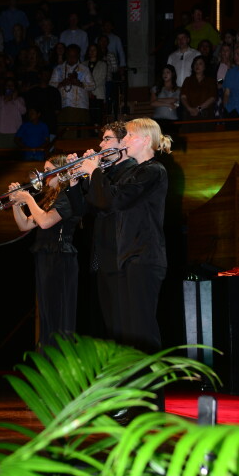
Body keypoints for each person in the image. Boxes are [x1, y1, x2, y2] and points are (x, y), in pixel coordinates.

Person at [67, 117, 172, 360]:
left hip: (143, 256)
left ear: (145, 140)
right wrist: (79, 180)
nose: (125, 140)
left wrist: (94, 171)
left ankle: (150, 384)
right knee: (124, 333)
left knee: (141, 332)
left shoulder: (153, 170)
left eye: (129, 136)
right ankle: (129, 382)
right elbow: (100, 204)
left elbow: (114, 201)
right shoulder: (132, 172)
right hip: (127, 257)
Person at [7, 154, 81, 349]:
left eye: (48, 171)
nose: (44, 175)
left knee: (58, 315)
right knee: (47, 315)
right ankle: (47, 357)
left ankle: (59, 359)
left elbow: (46, 222)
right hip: (47, 257)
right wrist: (16, 203)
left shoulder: (68, 195)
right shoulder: (51, 197)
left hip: (60, 257)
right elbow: (24, 225)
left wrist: (28, 198)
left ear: (61, 172)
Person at [49, 43, 95, 138]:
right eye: (70, 56)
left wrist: (79, 83)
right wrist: (62, 83)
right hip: (63, 105)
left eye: (74, 56)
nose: (72, 58)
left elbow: (92, 86)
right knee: (65, 134)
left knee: (81, 135)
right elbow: (51, 85)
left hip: (80, 106)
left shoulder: (84, 69)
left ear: (78, 56)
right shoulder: (59, 69)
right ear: (66, 55)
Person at [180, 55, 217, 132]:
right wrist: (189, 109)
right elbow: (183, 97)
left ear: (205, 66)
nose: (197, 66)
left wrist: (198, 109)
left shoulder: (210, 81)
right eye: (195, 64)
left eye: (200, 63)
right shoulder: (188, 80)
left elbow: (212, 98)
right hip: (189, 115)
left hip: (205, 116)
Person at [0, 75, 26, 148]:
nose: (9, 87)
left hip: (15, 131)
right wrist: (5, 100)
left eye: (12, 85)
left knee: (13, 153)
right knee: (1, 153)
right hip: (1, 131)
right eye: (7, 85)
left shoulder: (19, 100)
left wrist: (15, 99)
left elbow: (23, 111)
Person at [82, 42, 108, 128]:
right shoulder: (83, 64)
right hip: (85, 95)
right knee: (88, 118)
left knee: (97, 118)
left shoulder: (103, 64)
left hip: (98, 94)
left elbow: (101, 79)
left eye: (94, 50)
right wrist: (87, 89)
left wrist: (90, 89)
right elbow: (81, 78)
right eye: (90, 50)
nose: (92, 52)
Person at [150, 64, 180, 135]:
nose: (165, 74)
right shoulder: (156, 88)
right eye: (163, 72)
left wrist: (158, 100)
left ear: (172, 74)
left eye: (167, 72)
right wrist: (168, 104)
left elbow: (174, 100)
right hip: (158, 119)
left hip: (172, 120)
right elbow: (153, 103)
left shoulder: (177, 89)